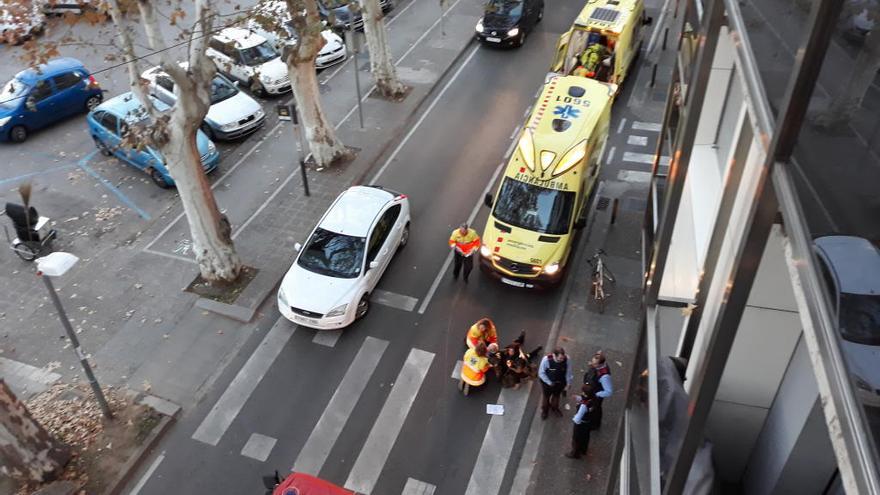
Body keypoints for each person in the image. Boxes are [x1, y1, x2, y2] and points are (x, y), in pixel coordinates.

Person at [565, 385, 599, 459]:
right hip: (588, 422)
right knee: (585, 437)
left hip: (581, 423)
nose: (582, 393)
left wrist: (574, 418)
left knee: (576, 439)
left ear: (586, 394)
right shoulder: (594, 399)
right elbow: (586, 400)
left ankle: (575, 453)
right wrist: (577, 398)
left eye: (583, 392)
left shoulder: (584, 405)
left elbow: (578, 418)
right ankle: (583, 450)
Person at [538, 347, 573, 419]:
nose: (562, 360)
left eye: (563, 358)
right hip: (547, 384)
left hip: (560, 383)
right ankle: (545, 411)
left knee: (556, 397)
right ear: (554, 355)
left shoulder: (567, 359)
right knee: (546, 398)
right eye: (560, 358)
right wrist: (549, 382)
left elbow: (568, 372)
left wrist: (568, 383)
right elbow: (541, 373)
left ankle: (555, 408)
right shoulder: (546, 360)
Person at [582, 350, 613, 430]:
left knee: (596, 409)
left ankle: (595, 424)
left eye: (595, 364)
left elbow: (609, 392)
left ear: (601, 364)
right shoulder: (598, 363)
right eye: (593, 361)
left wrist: (597, 394)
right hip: (591, 389)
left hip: (596, 394)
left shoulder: (604, 377)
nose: (592, 364)